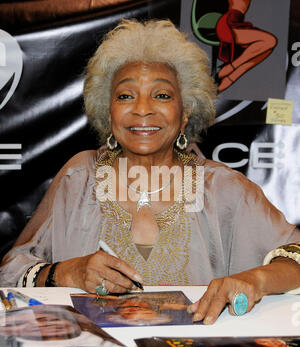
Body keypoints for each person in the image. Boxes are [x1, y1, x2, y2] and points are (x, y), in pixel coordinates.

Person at [0, 19, 299, 325]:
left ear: (184, 115)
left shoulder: (223, 188)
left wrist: (256, 280)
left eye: (162, 95)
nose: (142, 109)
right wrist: (64, 272)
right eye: (126, 96)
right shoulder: (80, 175)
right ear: (108, 111)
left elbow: (296, 257)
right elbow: (10, 270)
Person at [216, 0, 277, 92]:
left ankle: (231, 77)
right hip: (229, 23)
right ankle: (230, 68)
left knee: (266, 49)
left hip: (238, 22)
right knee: (270, 40)